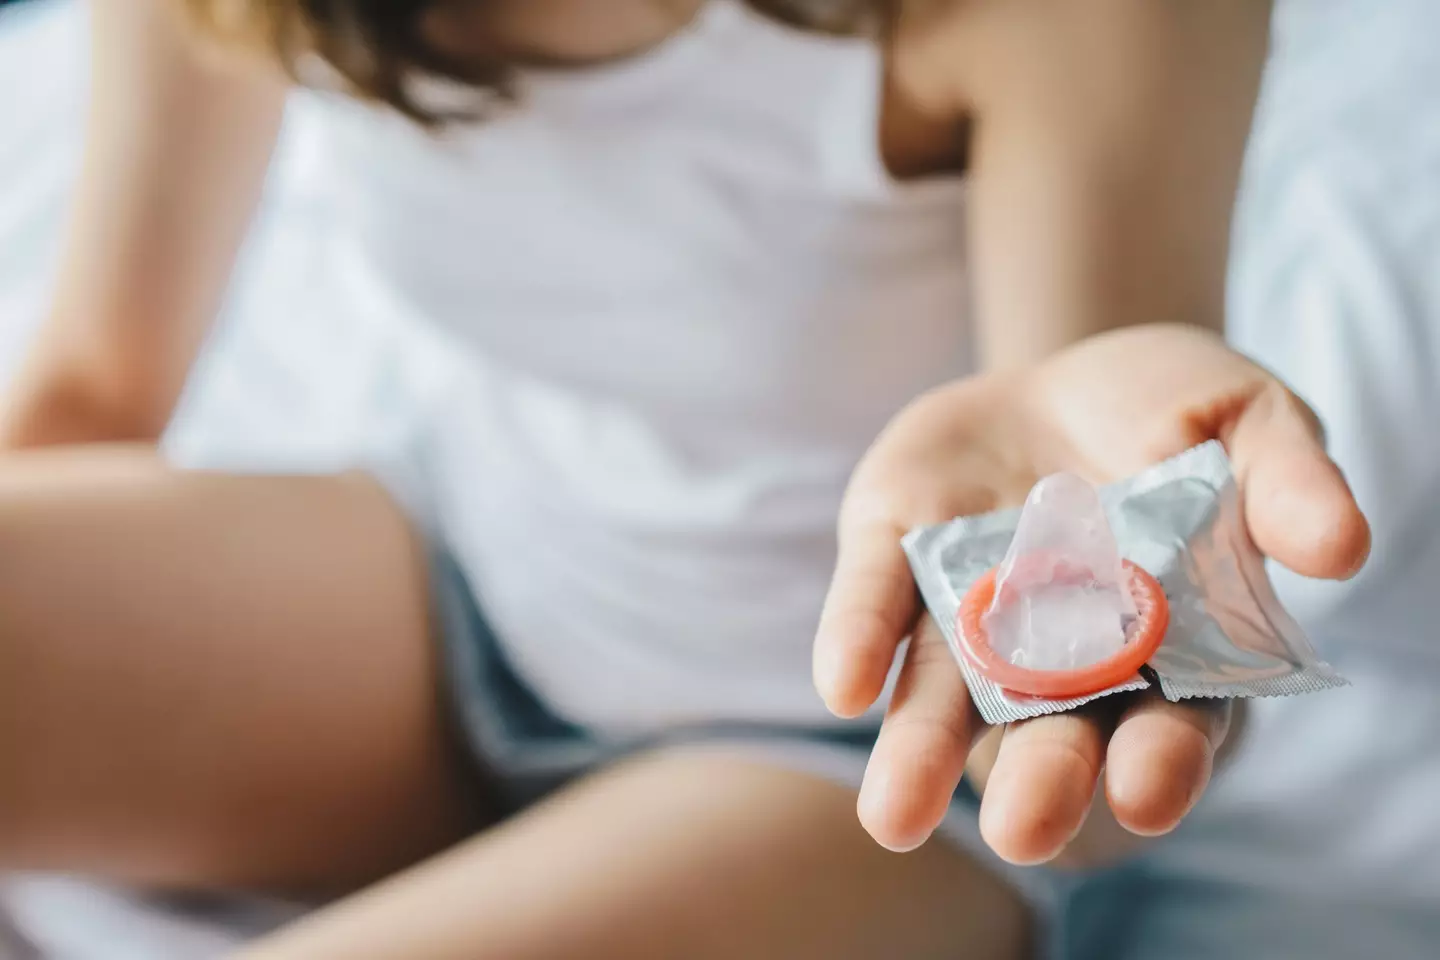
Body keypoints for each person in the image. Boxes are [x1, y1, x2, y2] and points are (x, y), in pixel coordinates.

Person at [0, 1, 1369, 957]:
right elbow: (96, 383)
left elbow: (1092, 610)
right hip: (454, 589)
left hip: (852, 770)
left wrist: (1161, 643)